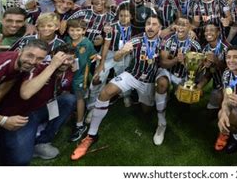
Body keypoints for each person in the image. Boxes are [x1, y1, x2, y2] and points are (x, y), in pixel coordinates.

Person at [70, 16, 164, 160]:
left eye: (154, 24)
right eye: (148, 24)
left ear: (160, 28)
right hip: (132, 75)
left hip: (149, 82)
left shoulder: (164, 42)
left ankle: (148, 111)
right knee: (105, 92)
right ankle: (91, 135)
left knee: (146, 110)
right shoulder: (136, 40)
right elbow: (116, 59)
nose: (150, 27)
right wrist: (123, 51)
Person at [0, 46, 76, 165]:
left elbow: (65, 89)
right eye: (62, 58)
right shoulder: (40, 66)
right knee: (21, 160)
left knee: (69, 100)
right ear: (53, 56)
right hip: (21, 115)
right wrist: (52, 66)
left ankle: (42, 141)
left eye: (70, 59)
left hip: (41, 108)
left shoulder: (68, 70)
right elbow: (26, 93)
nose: (65, 62)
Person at [0, 39, 49, 164]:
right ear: (19, 52)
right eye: (30, 55)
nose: (33, 62)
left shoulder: (18, 63)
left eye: (39, 58)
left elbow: (10, 79)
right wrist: (4, 121)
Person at [157, 16, 201, 145]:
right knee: (162, 84)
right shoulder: (168, 39)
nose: (181, 27)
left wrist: (185, 63)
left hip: (184, 76)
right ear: (175, 26)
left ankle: (176, 96)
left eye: (185, 24)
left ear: (190, 28)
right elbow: (163, 63)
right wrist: (176, 60)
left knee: (184, 106)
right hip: (168, 72)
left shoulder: (195, 45)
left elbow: (197, 70)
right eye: (179, 24)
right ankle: (161, 122)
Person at [196, 22, 231, 151]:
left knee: (226, 112)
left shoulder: (227, 48)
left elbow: (232, 70)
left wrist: (217, 61)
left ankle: (227, 135)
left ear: (218, 32)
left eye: (211, 30)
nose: (208, 33)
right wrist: (199, 86)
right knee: (206, 117)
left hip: (231, 87)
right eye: (206, 31)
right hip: (217, 86)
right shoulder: (205, 49)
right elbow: (209, 73)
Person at [65, 19, 99, 142]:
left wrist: (96, 57)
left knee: (80, 98)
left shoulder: (87, 43)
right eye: (72, 30)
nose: (74, 33)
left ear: (84, 31)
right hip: (68, 75)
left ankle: (80, 125)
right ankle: (69, 115)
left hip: (81, 77)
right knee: (68, 96)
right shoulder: (67, 41)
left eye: (78, 30)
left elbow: (94, 55)